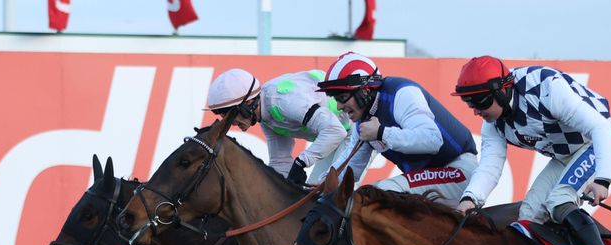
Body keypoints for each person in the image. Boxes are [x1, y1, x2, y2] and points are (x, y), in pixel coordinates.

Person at [453, 56, 611, 245]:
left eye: (480, 102)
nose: (475, 110)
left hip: (601, 144)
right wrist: (469, 199)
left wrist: (603, 179)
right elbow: (489, 165)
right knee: (529, 215)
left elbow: (601, 127)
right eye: (469, 103)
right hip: (567, 157)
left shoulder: (545, 87)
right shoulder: (493, 124)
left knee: (559, 201)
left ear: (502, 91)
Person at [313, 52, 478, 206]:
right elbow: (349, 167)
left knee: (374, 196)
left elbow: (433, 140)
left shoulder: (402, 93)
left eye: (342, 98)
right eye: (336, 99)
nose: (339, 106)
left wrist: (382, 133)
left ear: (365, 90)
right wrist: (319, 185)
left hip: (457, 171)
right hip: (433, 178)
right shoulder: (363, 122)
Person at [205, 68, 351, 185]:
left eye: (231, 115)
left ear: (249, 103)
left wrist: (301, 162)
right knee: (313, 195)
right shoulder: (266, 117)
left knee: (333, 193)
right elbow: (280, 162)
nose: (232, 123)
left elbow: (334, 131)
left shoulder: (283, 102)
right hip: (336, 134)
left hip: (354, 129)